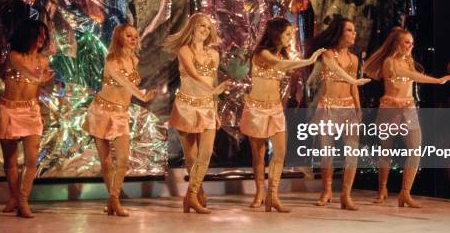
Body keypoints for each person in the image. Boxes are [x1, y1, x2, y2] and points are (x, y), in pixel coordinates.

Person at [364, 27, 450, 208]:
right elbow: (409, 75)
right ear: (397, 43)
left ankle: (405, 193)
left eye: (412, 43)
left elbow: (411, 74)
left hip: (408, 109)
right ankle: (382, 188)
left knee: (415, 149)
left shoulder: (409, 61)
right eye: (407, 42)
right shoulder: (389, 62)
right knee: (386, 151)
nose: (410, 46)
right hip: (390, 109)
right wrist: (437, 80)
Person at [240, 17, 325, 212]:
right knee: (259, 155)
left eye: (291, 34)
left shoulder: (282, 54)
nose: (290, 37)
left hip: (275, 109)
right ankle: (260, 191)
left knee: (280, 152)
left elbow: (282, 73)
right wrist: (309, 60)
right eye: (287, 34)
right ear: (276, 33)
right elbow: (277, 65)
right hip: (257, 109)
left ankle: (273, 196)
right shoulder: (262, 53)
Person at [83, 24, 156, 217]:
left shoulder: (134, 60)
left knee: (122, 158)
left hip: (120, 114)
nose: (133, 39)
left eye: (135, 36)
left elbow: (127, 85)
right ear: (119, 38)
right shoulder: (111, 60)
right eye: (129, 36)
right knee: (106, 162)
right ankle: (114, 201)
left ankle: (113, 199)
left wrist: (140, 95)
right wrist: (142, 96)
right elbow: (124, 82)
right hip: (101, 112)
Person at [164, 13, 231, 214]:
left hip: (207, 108)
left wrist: (216, 110)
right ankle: (196, 193)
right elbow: (192, 73)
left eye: (208, 27)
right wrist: (211, 90)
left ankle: (191, 196)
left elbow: (213, 84)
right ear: (192, 27)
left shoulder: (214, 55)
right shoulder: (184, 50)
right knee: (191, 157)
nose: (205, 30)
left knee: (206, 154)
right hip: (186, 108)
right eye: (202, 26)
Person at [0, 19, 54, 218]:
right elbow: (26, 73)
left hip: (31, 111)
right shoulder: (14, 56)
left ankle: (23, 200)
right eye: (39, 34)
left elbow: (37, 87)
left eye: (45, 35)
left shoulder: (43, 61)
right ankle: (14, 197)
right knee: (10, 160)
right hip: (10, 110)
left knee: (31, 160)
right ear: (28, 35)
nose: (42, 39)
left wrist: (40, 112)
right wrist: (40, 79)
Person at [308, 17, 370, 210]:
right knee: (327, 153)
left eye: (354, 30)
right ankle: (326, 191)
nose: (354, 34)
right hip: (328, 107)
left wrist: (358, 109)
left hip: (348, 107)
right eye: (350, 30)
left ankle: (346, 195)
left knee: (352, 153)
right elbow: (336, 71)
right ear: (339, 33)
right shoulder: (327, 54)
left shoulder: (354, 59)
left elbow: (353, 87)